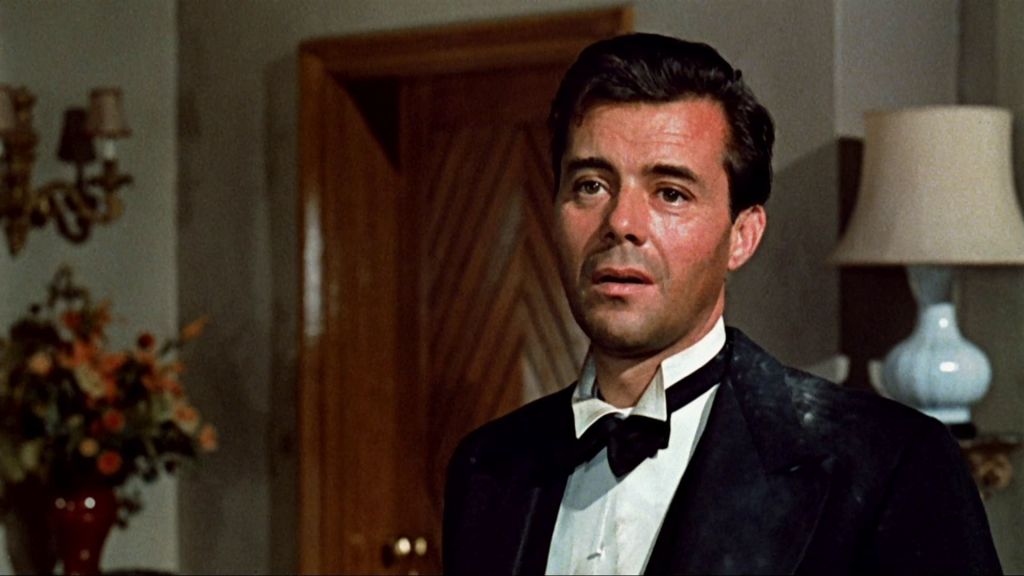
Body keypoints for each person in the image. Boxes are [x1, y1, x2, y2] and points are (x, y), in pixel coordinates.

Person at [443, 33, 1001, 575]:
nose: (621, 223)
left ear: (742, 236)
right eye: (591, 185)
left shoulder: (887, 465)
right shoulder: (486, 469)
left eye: (670, 193)